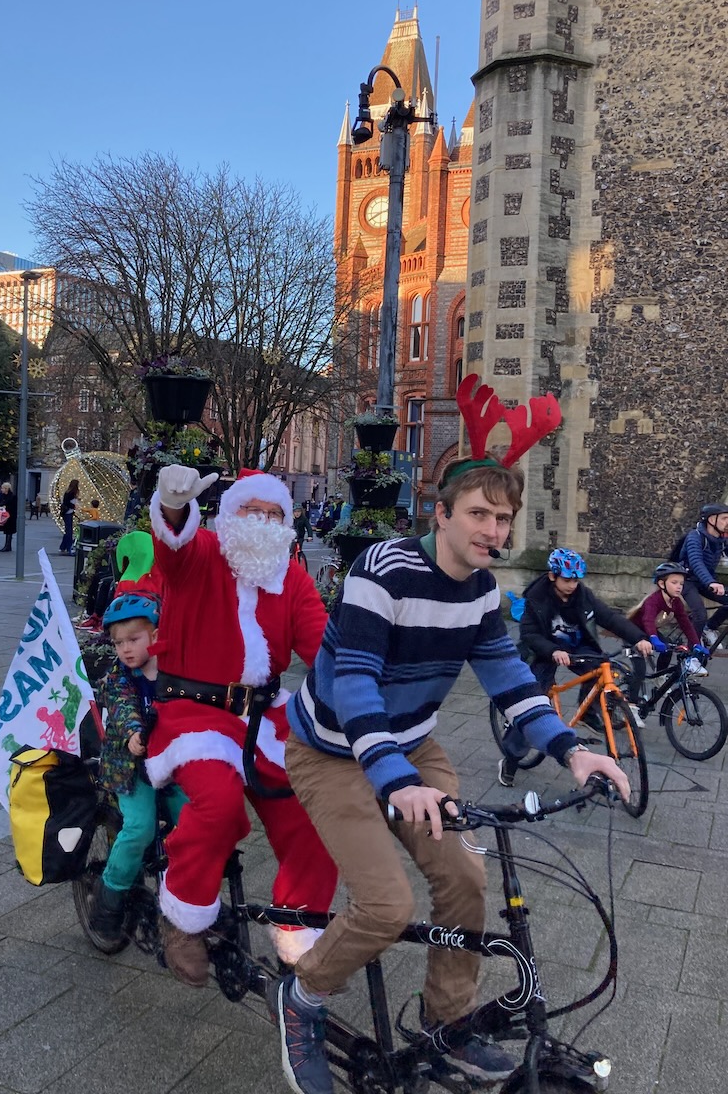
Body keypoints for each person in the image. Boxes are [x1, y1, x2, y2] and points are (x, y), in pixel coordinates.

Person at [275, 453, 631, 1093]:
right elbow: (355, 682)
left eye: (504, 518)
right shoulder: (382, 571)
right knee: (386, 905)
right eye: (478, 514)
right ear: (439, 515)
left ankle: (447, 1023)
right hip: (331, 751)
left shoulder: (483, 591)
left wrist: (570, 749)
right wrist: (394, 779)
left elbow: (509, 680)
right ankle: (303, 996)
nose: (494, 531)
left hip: (411, 746)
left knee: (466, 876)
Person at [146, 464, 338, 989]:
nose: (262, 522)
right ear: (229, 516)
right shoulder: (203, 554)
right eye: (251, 511)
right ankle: (183, 914)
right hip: (196, 713)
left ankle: (298, 927)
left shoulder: (291, 577)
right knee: (219, 802)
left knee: (314, 807)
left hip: (266, 715)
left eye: (273, 514)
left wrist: (363, 692)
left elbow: (323, 648)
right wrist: (172, 506)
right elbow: (173, 547)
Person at [84, 593, 187, 952]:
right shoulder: (118, 676)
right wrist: (132, 734)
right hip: (132, 768)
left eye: (133, 640)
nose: (125, 649)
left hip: (172, 765)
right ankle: (107, 899)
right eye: (117, 643)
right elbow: (124, 706)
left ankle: (186, 894)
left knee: (193, 820)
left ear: (155, 636)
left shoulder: (174, 671)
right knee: (140, 828)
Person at [498, 548, 654, 779]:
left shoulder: (583, 595)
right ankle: (511, 760)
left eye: (576, 580)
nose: (572, 585)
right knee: (534, 707)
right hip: (544, 650)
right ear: (553, 576)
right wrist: (553, 651)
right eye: (567, 580)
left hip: (578, 646)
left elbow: (609, 617)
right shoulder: (536, 598)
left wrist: (639, 637)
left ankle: (587, 711)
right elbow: (530, 634)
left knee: (600, 670)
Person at [628, 562, 707, 684]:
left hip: (649, 631)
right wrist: (654, 638)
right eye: (674, 583)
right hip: (633, 631)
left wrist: (696, 643)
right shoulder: (654, 600)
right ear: (661, 583)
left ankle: (660, 678)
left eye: (681, 583)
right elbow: (647, 620)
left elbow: (685, 624)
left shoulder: (676, 602)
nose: (679, 587)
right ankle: (632, 700)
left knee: (667, 649)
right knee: (640, 670)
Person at [676, 503, 728, 648]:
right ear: (712, 520)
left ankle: (709, 628)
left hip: (705, 581)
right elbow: (696, 562)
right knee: (700, 614)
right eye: (724, 518)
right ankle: (693, 651)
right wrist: (711, 583)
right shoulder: (695, 537)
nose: (727, 523)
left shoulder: (721, 540)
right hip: (686, 580)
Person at [0, 482, 18, 552]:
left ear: (6, 489)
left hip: (10, 516)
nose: (1, 489)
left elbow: (14, 506)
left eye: (2, 488)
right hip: (5, 516)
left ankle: (7, 546)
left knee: (9, 531)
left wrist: (6, 507)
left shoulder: (12, 496)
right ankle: (7, 546)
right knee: (7, 531)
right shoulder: (2, 496)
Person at [59, 480, 80, 554]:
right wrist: (73, 506)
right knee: (69, 531)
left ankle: (63, 547)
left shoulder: (68, 492)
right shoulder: (71, 493)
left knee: (68, 530)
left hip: (67, 513)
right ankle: (69, 547)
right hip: (68, 512)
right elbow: (67, 502)